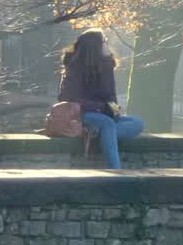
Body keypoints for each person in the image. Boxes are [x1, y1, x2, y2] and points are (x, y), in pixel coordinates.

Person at [57, 29, 144, 169]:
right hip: (83, 114)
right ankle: (116, 172)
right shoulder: (75, 68)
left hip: (104, 115)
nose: (108, 45)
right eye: (105, 42)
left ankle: (98, 134)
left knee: (138, 123)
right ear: (94, 46)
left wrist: (115, 111)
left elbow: (111, 97)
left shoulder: (107, 66)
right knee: (107, 124)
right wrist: (99, 107)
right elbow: (66, 97)